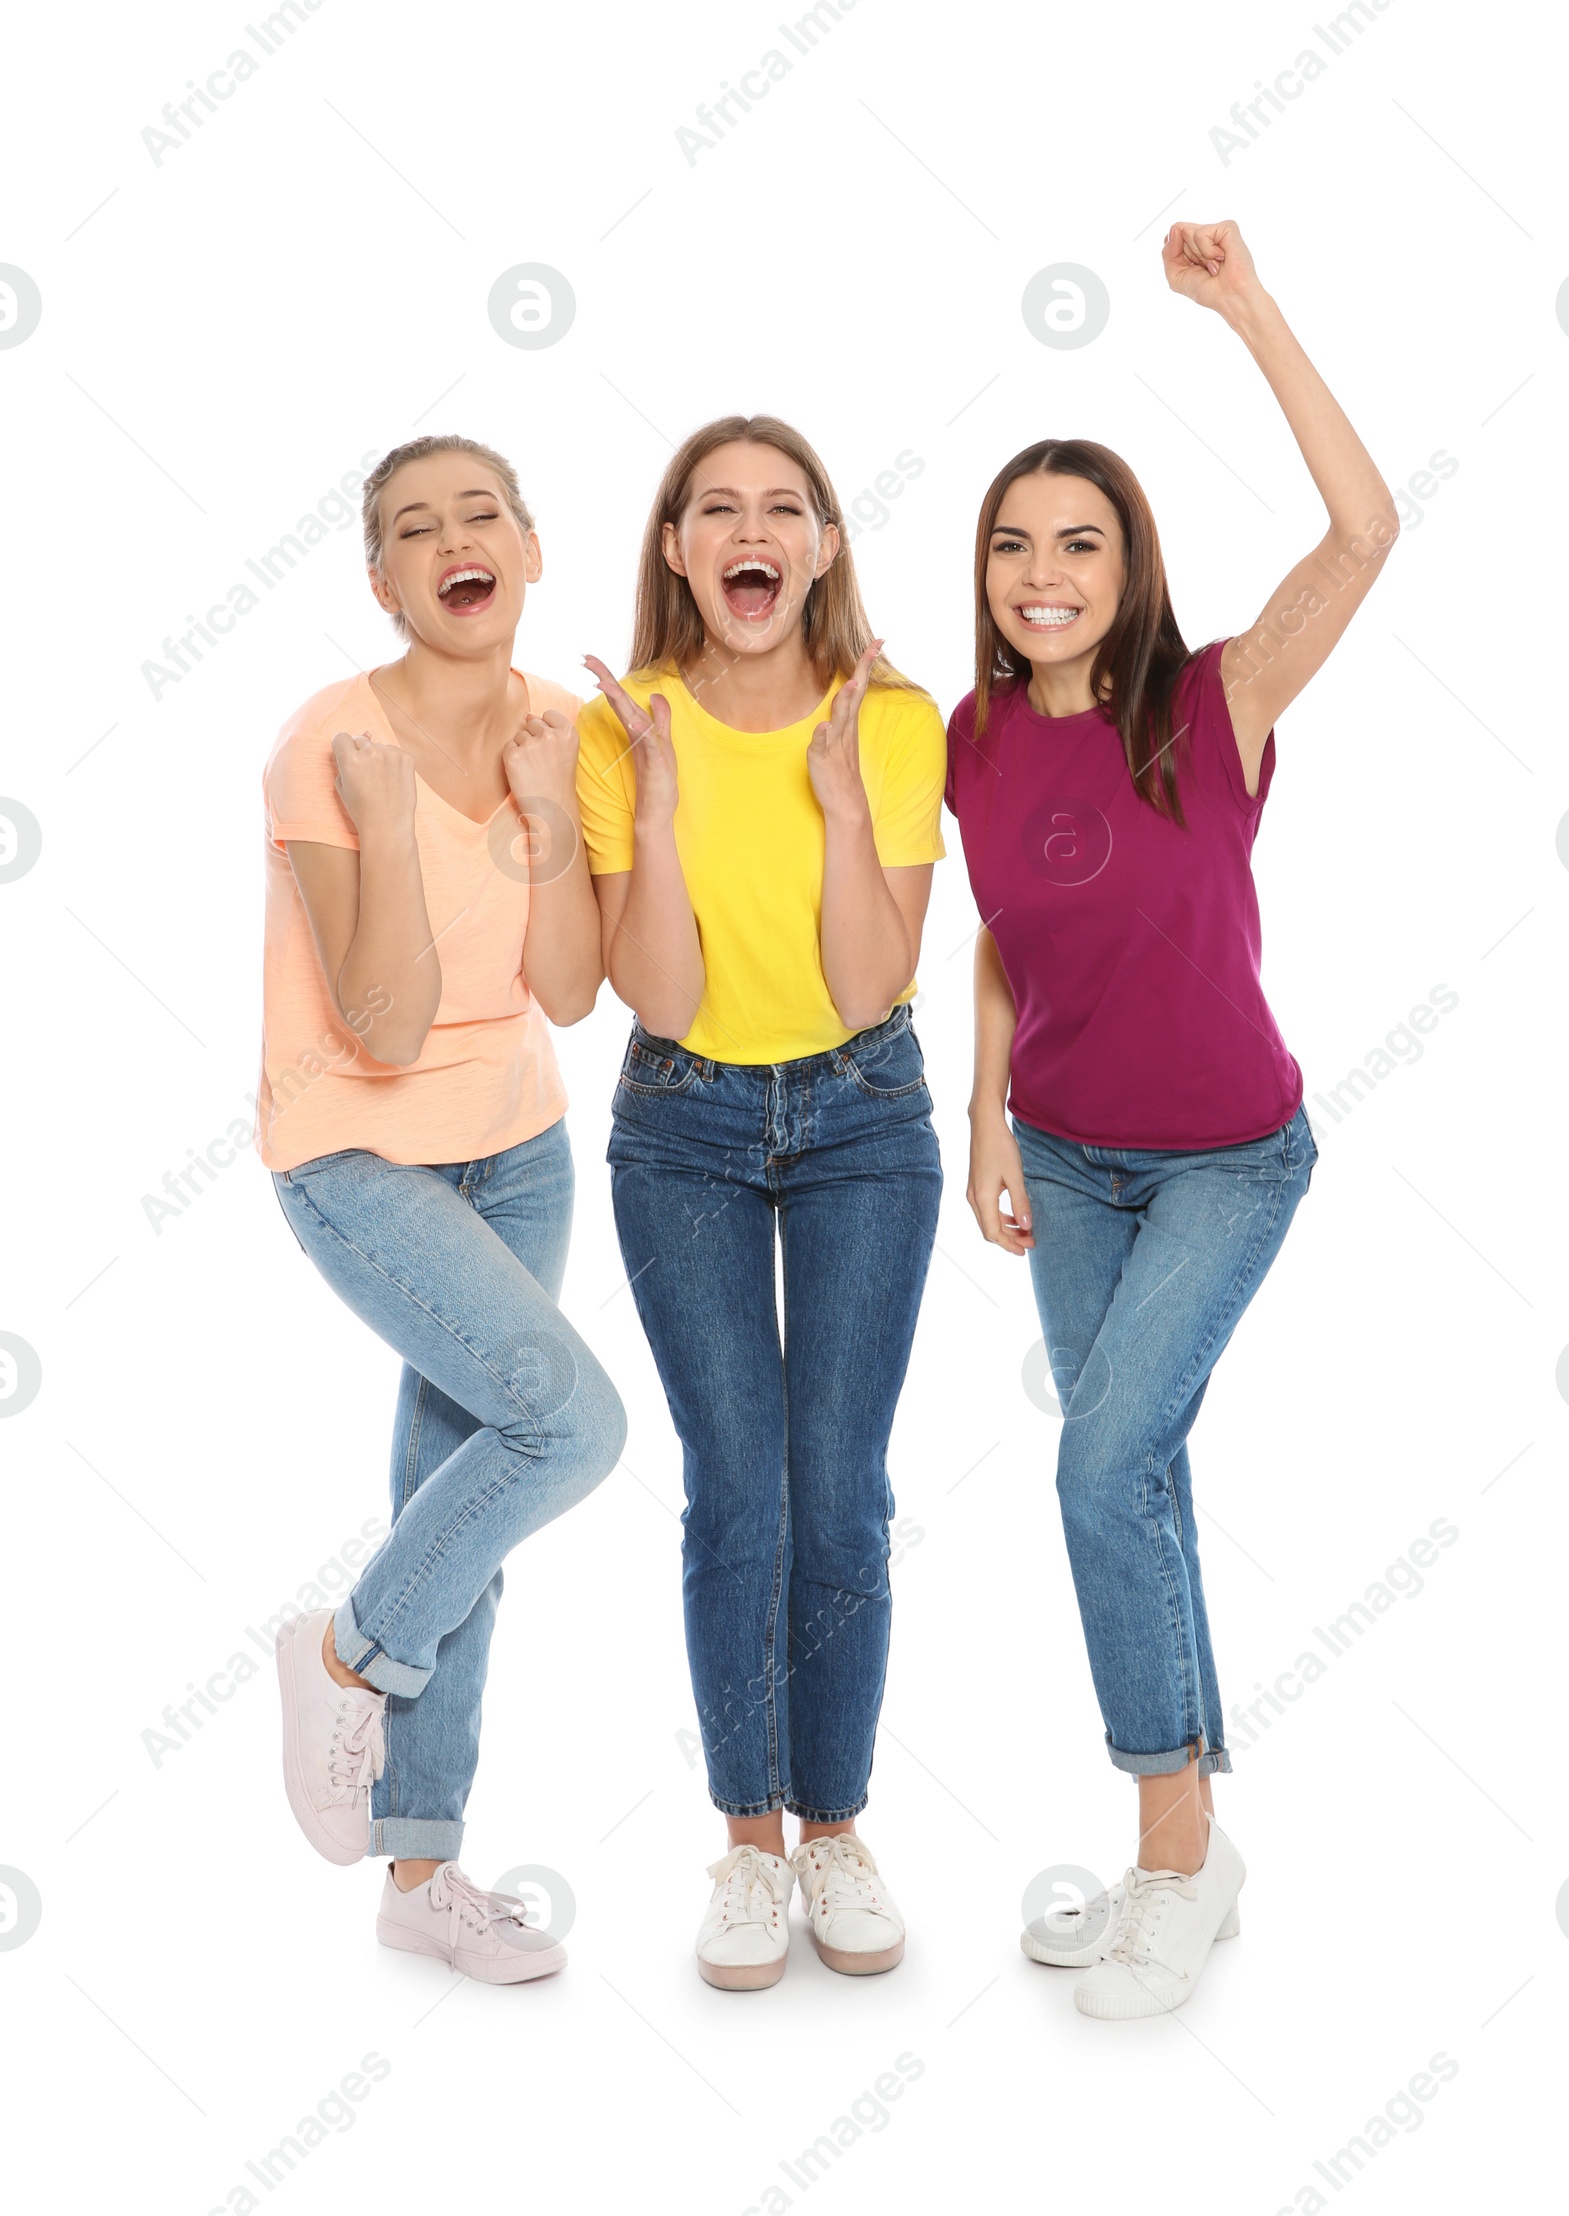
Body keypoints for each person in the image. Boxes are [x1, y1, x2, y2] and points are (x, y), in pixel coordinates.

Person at [950, 222, 1398, 2017]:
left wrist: (1252, 312)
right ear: (981, 569)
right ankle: (1198, 1845)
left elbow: (1366, 533)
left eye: (1081, 543)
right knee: (1144, 1471)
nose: (1044, 573)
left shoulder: (1217, 699)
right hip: (1065, 1154)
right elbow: (1000, 933)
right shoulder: (974, 739)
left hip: (1230, 1157)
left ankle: (1166, 1862)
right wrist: (984, 1119)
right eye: (1014, 543)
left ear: (1131, 567)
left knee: (1100, 1464)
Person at [576, 415, 946, 1989]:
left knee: (839, 1485)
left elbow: (875, 981)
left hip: (865, 1115)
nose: (752, 530)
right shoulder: (623, 727)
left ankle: (837, 1827)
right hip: (686, 1128)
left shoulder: (899, 719)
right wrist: (655, 809)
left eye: (783, 507)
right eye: (716, 509)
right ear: (678, 551)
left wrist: (843, 801)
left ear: (824, 545)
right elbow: (652, 997)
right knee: (739, 1484)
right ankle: (747, 1847)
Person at [260, 433, 626, 1984]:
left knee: (460, 1489)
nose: (454, 540)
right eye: (417, 529)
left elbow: (565, 991)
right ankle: (343, 1650)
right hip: (354, 1151)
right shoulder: (329, 742)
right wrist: (400, 823)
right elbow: (389, 1028)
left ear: (530, 550)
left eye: (483, 513)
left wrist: (552, 818)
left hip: (518, 1144)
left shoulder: (565, 731)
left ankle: (424, 1874)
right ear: (385, 582)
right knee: (568, 1430)